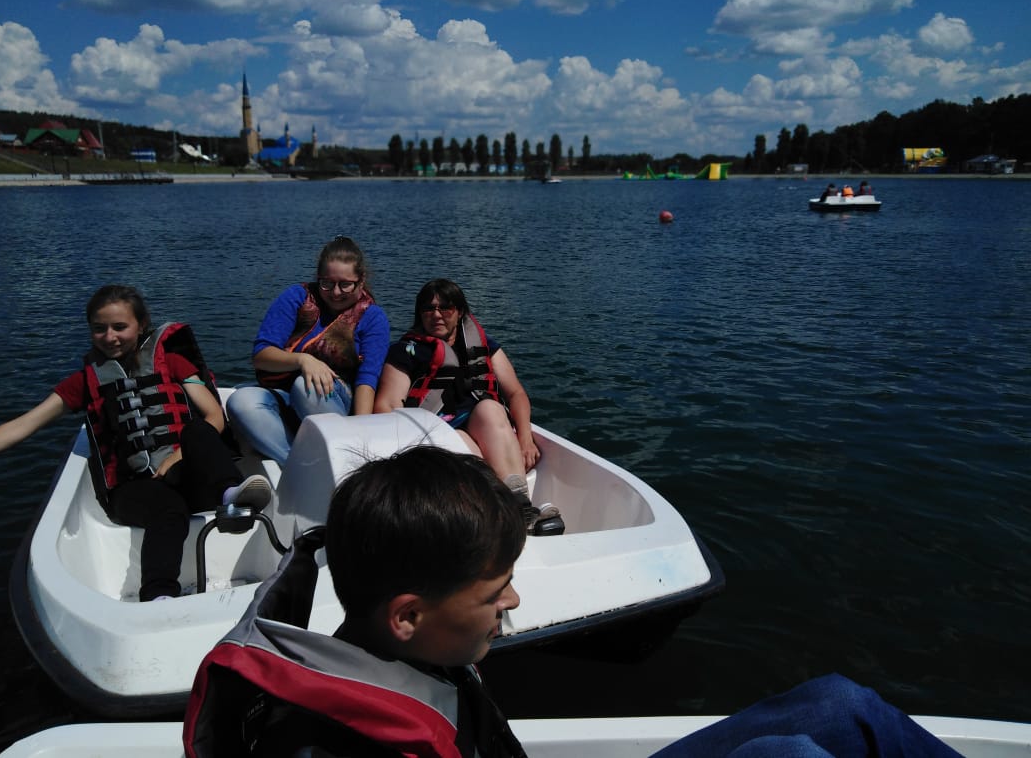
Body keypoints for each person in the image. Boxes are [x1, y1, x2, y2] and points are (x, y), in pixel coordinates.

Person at [184, 447, 962, 757]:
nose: (514, 598)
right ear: (409, 615)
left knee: (840, 705)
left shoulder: (401, 649)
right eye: (495, 590)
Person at [0, 285, 272, 601]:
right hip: (134, 489)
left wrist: (176, 456)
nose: (109, 337)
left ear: (141, 325)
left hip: (187, 476)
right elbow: (26, 423)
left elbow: (214, 416)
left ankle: (232, 496)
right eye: (99, 328)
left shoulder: (174, 363)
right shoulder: (84, 381)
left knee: (197, 430)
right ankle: (158, 596)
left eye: (119, 327)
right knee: (168, 509)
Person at [373, 278, 562, 535]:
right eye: (428, 308)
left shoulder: (483, 346)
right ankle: (513, 515)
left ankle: (519, 506)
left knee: (491, 408)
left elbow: (516, 393)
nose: (436, 314)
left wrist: (525, 437)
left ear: (460, 311)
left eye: (445, 307)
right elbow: (387, 404)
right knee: (461, 442)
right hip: (435, 428)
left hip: (480, 422)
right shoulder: (406, 351)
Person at [226, 236, 390, 467]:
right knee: (241, 400)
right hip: (285, 396)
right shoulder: (297, 297)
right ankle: (299, 466)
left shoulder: (373, 317)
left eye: (345, 284)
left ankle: (344, 462)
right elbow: (261, 356)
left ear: (361, 281)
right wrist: (303, 360)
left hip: (335, 402)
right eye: (327, 283)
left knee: (306, 387)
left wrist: (362, 436)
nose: (335, 292)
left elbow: (367, 379)